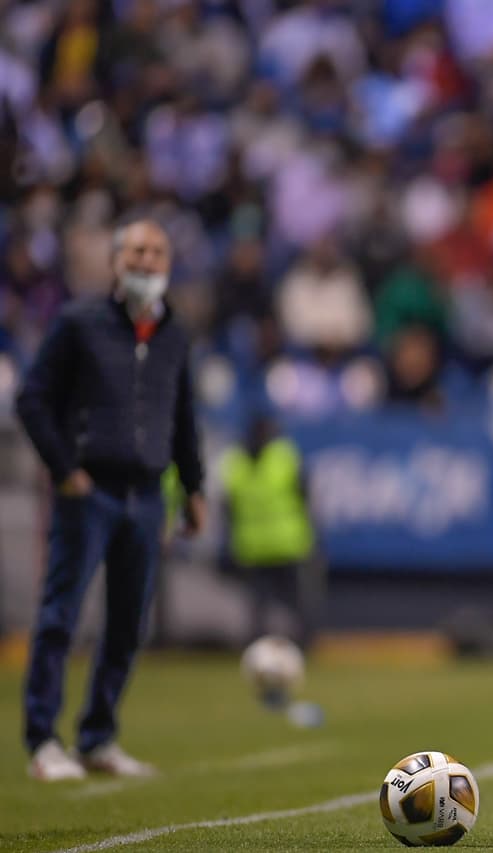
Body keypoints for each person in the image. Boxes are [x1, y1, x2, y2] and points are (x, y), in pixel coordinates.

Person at [16, 219, 205, 781]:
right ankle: (43, 741)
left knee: (127, 624)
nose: (148, 260)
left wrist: (193, 487)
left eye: (157, 250)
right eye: (137, 250)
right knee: (60, 617)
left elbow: (183, 415)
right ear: (116, 261)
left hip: (147, 497)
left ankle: (97, 737)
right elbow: (32, 399)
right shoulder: (80, 323)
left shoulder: (175, 333)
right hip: (89, 492)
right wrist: (65, 468)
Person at [220, 413, 318, 653]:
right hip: (283, 543)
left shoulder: (235, 462)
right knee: (279, 603)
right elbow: (305, 496)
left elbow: (228, 507)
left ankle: (272, 645)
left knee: (263, 605)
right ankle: (298, 645)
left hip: (264, 544)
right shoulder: (284, 457)